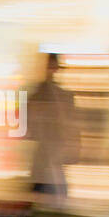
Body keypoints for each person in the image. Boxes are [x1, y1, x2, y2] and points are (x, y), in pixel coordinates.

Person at [25, 52, 79, 207]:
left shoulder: (56, 95)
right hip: (47, 152)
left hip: (50, 151)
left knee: (47, 189)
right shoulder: (42, 94)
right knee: (51, 190)